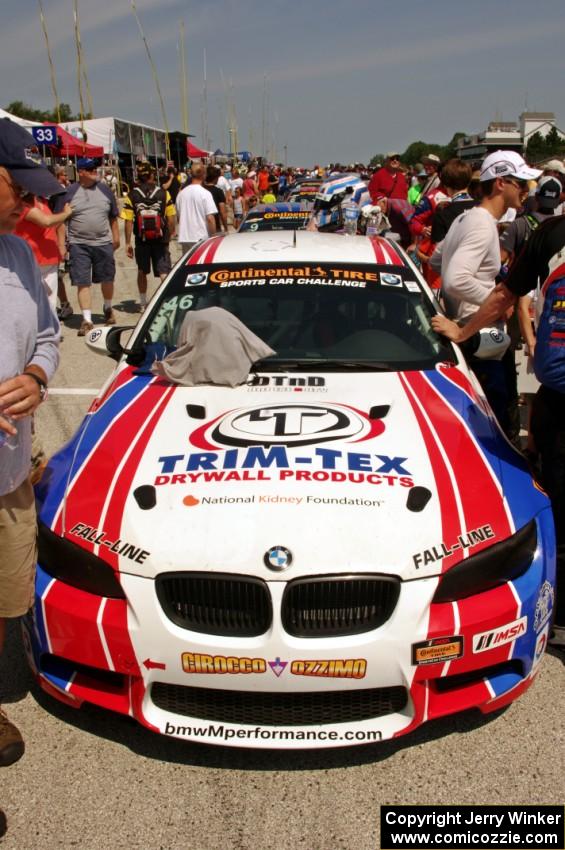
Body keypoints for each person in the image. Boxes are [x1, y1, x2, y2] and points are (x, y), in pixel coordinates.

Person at [432, 213, 565, 650]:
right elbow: (507, 293)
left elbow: (505, 294)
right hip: (554, 398)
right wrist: (464, 332)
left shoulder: (550, 231)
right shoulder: (549, 233)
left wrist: (463, 331)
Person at [0, 118, 61, 779]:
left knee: (4, 598)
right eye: (17, 184)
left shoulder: (16, 253)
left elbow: (45, 336)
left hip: (7, 475)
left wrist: (37, 379)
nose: (28, 201)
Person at [430, 149, 541, 438]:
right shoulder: (482, 224)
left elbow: (436, 260)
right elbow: (455, 279)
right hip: (482, 339)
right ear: (500, 183)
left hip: (471, 333)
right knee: (501, 428)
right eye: (522, 183)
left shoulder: (464, 219)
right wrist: (495, 299)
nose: (527, 191)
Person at [54, 157, 120, 336]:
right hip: (79, 245)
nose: (95, 172)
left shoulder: (105, 190)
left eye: (95, 169)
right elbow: (60, 221)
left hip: (103, 242)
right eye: (90, 169)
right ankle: (87, 319)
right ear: (81, 172)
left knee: (107, 278)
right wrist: (61, 244)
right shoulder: (69, 192)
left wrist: (116, 237)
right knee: (82, 281)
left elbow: (113, 217)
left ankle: (107, 307)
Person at [121, 162, 176, 312]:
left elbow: (128, 220)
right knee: (164, 271)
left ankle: (143, 303)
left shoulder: (132, 195)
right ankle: (167, 302)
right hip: (161, 237)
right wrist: (170, 234)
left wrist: (127, 242)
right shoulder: (164, 193)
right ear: (152, 175)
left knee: (141, 270)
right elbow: (171, 218)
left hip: (141, 239)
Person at [14, 196, 72, 314]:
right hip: (30, 259)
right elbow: (46, 221)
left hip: (49, 258)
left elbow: (53, 224)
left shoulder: (43, 201)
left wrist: (61, 244)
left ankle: (48, 329)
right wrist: (66, 213)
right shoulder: (22, 204)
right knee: (32, 299)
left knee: (49, 299)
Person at [175, 162, 217, 254]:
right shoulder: (205, 194)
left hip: (185, 236)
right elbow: (210, 218)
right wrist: (214, 237)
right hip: (201, 237)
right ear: (204, 175)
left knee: (189, 265)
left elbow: (179, 216)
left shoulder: (181, 194)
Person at [203, 165, 228, 232]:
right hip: (215, 226)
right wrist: (226, 228)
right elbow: (223, 212)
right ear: (215, 178)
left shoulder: (201, 189)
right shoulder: (219, 192)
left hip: (201, 227)